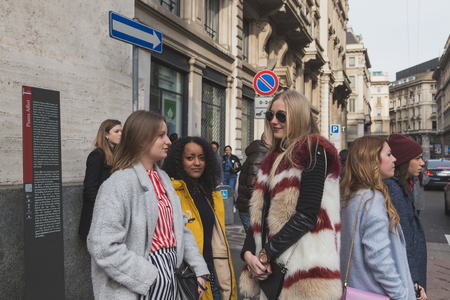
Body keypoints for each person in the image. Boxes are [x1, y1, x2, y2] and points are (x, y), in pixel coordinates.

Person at [87, 110, 209, 300]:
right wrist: (149, 276)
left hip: (173, 278)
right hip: (141, 284)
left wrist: (199, 270)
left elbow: (181, 229)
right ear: (141, 139)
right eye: (161, 135)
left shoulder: (164, 179)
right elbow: (102, 245)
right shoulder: (119, 183)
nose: (168, 141)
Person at [239, 90, 342, 300]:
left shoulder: (313, 151)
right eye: (270, 115)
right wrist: (248, 254)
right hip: (274, 269)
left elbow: (306, 215)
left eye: (281, 116)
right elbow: (259, 214)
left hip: (303, 272)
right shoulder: (272, 159)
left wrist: (266, 253)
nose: (274, 121)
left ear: (298, 116)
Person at [340, 136, 416, 299]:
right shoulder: (372, 199)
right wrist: (401, 294)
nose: (394, 159)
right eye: (389, 154)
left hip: (356, 288)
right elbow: (378, 257)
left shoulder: (349, 194)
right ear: (372, 160)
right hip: (376, 293)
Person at [163, 136, 237, 300]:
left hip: (215, 277)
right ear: (178, 161)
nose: (197, 163)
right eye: (190, 158)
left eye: (202, 158)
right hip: (188, 281)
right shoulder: (171, 194)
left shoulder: (210, 194)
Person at [383, 133, 428, 300]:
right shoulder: (394, 190)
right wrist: (415, 281)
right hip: (408, 277)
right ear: (404, 160)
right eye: (417, 158)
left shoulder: (400, 187)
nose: (422, 163)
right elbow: (405, 240)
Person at [78, 119, 122, 239]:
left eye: (121, 131)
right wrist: (105, 208)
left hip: (111, 217)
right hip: (97, 217)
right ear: (106, 135)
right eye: (116, 131)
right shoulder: (97, 155)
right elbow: (90, 188)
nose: (120, 134)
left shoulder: (116, 156)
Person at [236, 133, 269, 233]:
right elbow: (253, 187)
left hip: (252, 209)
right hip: (251, 210)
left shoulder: (262, 155)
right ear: (267, 141)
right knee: (255, 245)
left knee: (256, 245)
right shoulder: (259, 157)